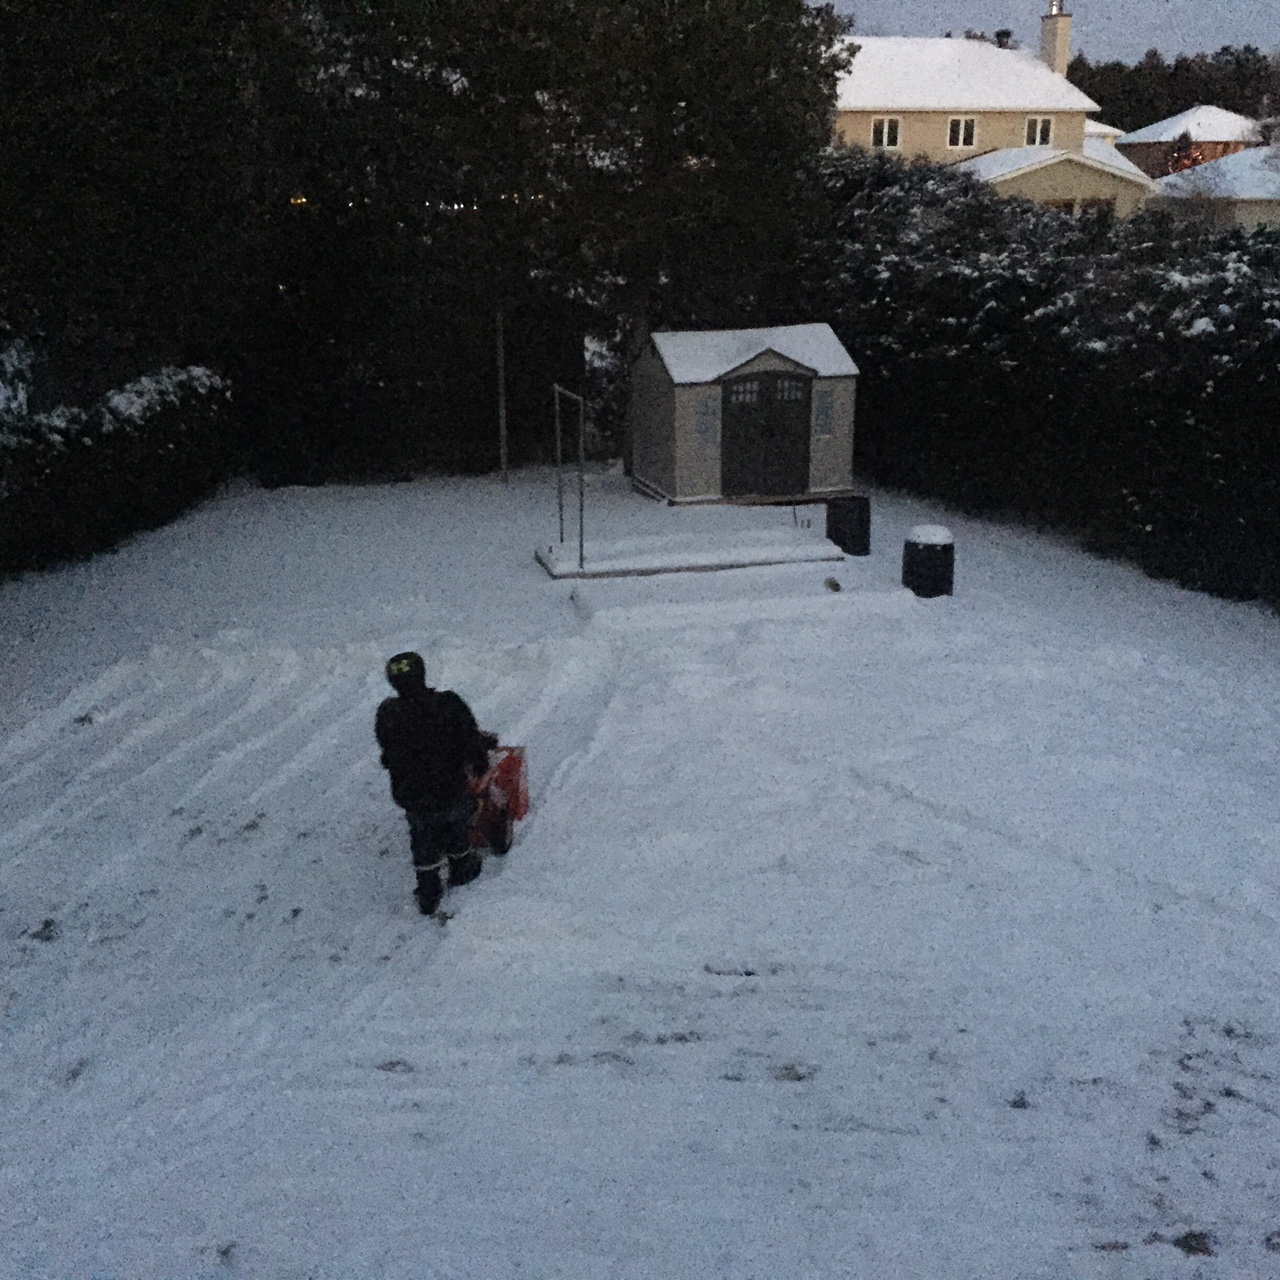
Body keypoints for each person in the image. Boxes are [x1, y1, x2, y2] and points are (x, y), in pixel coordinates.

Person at [375, 651, 498, 914]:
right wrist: (480, 764)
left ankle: (428, 889)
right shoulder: (449, 704)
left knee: (422, 831)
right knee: (456, 820)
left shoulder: (387, 714)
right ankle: (461, 865)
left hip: (411, 794)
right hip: (450, 789)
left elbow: (388, 753)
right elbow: (471, 742)